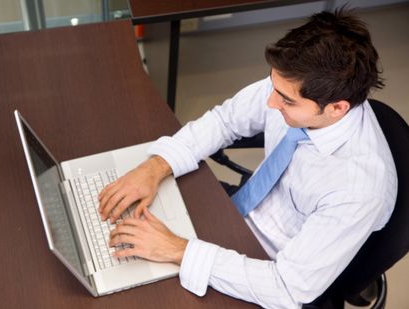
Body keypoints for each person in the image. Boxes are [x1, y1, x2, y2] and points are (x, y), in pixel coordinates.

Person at [98, 9, 397, 309]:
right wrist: (156, 167)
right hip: (240, 212)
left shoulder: (358, 189)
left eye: (286, 100)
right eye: (274, 87)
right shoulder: (295, 83)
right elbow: (227, 121)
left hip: (272, 269)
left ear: (337, 109)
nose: (270, 102)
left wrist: (178, 251)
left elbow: (286, 287)